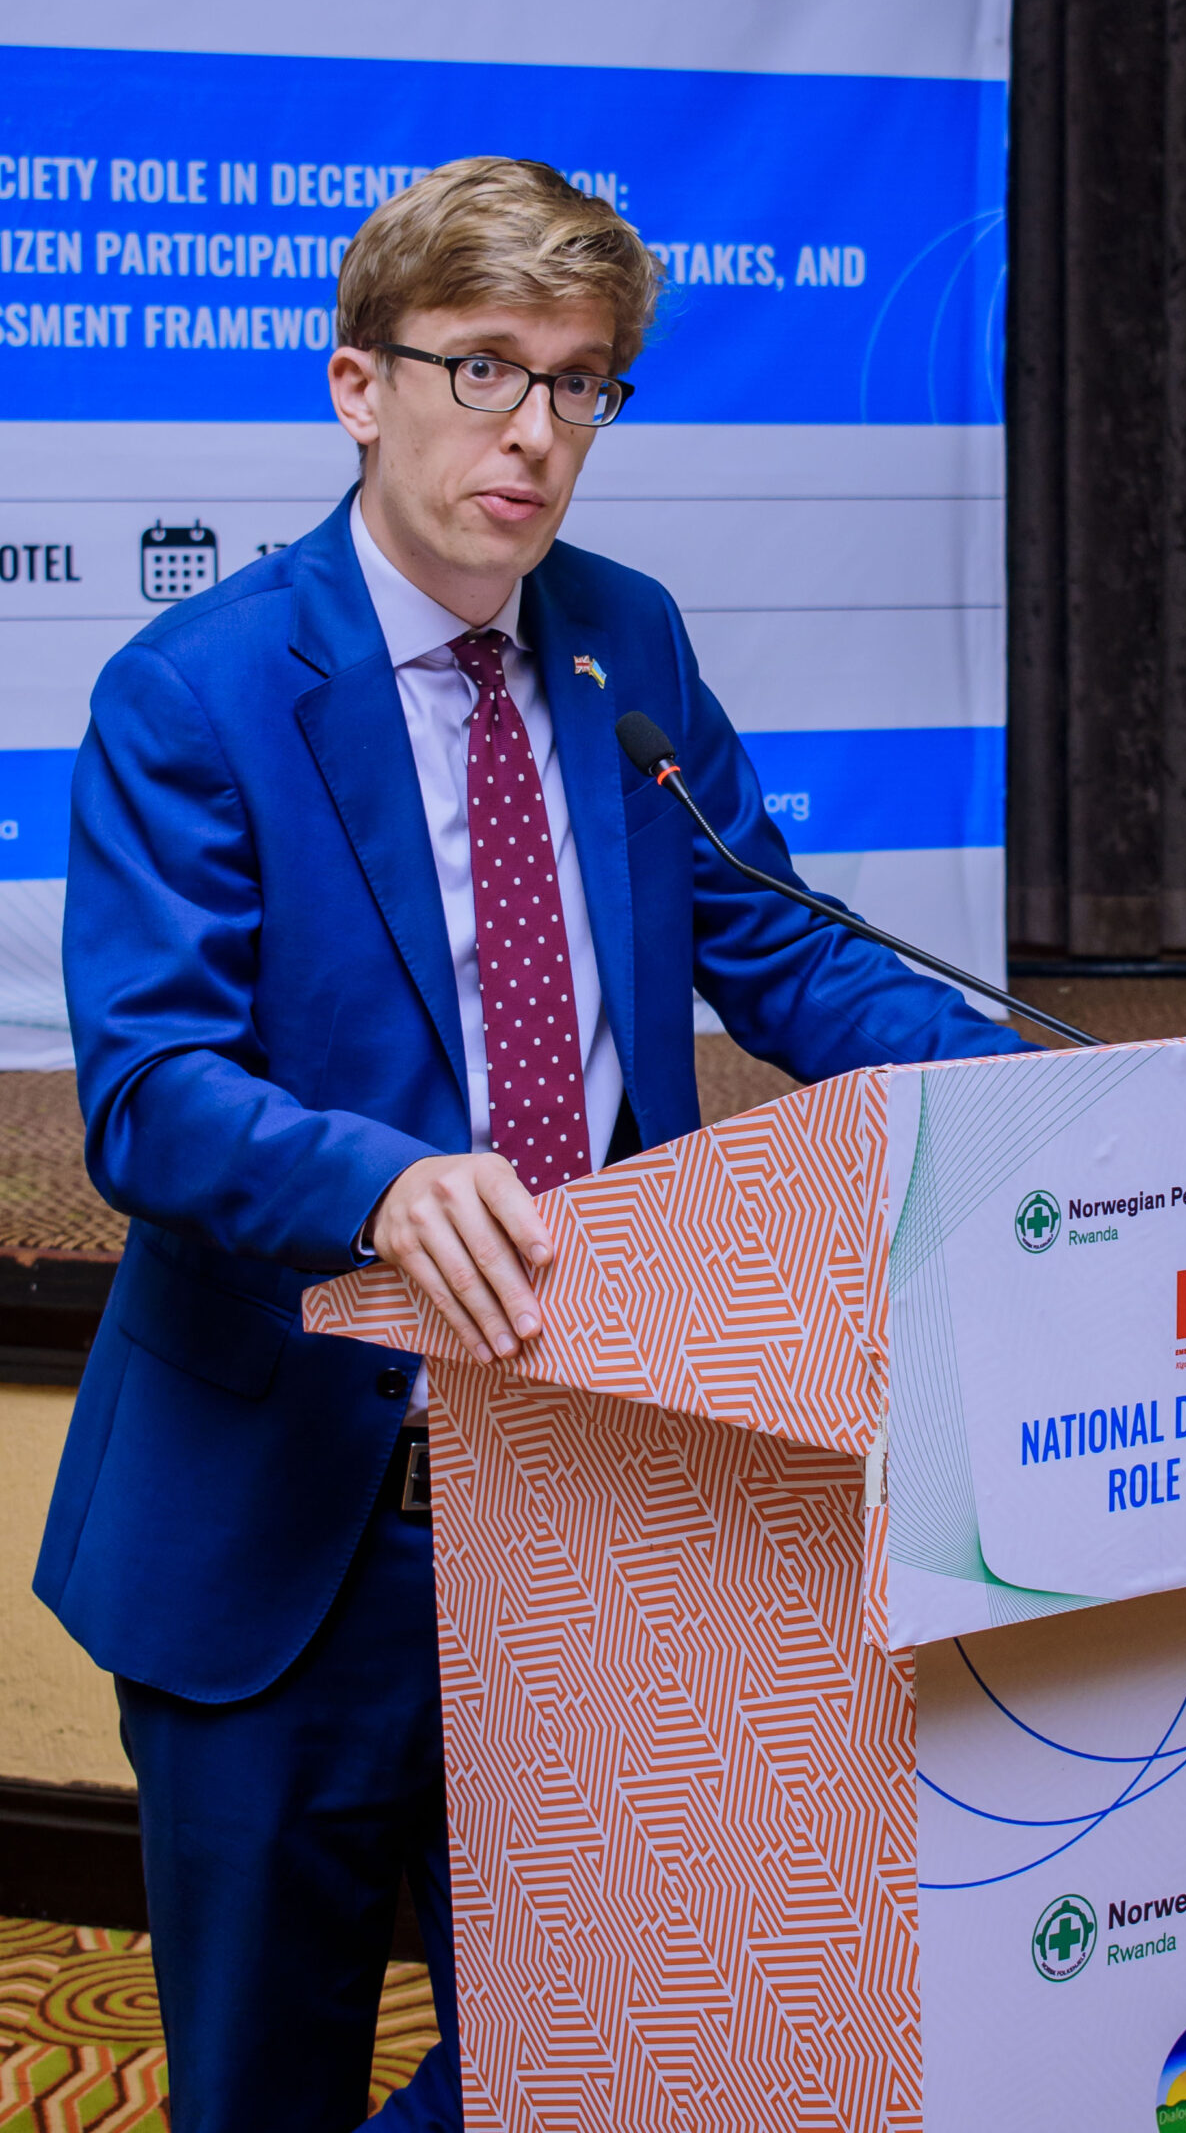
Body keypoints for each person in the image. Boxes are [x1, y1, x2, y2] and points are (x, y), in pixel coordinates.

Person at [34, 157, 1027, 2133]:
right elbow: (148, 1087)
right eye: (483, 368)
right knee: (266, 2080)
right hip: (298, 1529)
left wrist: (1039, 1093)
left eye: (580, 384)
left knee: (598, 2057)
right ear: (358, 385)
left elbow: (782, 946)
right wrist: (378, 1180)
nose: (535, 431)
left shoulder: (619, 643)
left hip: (595, 1487)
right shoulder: (196, 691)